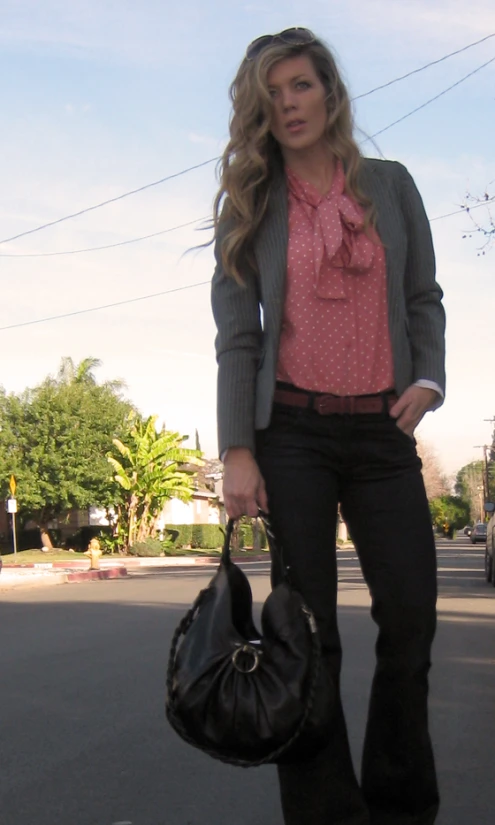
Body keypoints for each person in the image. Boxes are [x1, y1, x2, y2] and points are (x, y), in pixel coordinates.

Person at [210, 27, 445, 825]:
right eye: (271, 94)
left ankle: (400, 802)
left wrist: (426, 377)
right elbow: (239, 334)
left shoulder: (389, 183)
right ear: (259, 110)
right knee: (308, 635)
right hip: (295, 433)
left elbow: (423, 296)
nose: (287, 104)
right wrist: (238, 449)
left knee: (410, 615)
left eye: (300, 85)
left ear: (329, 90)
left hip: (382, 434)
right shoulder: (254, 202)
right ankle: (324, 813)